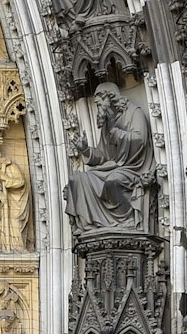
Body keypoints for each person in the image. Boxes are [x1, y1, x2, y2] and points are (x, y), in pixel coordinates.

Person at [64, 84, 155, 233]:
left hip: (134, 167)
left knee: (113, 180)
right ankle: (90, 224)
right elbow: (103, 155)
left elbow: (140, 140)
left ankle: (127, 220)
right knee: (79, 179)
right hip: (114, 166)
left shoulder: (133, 112)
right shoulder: (108, 122)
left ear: (110, 98)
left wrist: (114, 131)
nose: (98, 108)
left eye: (99, 104)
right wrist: (85, 149)